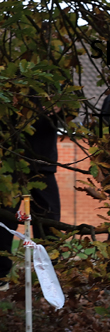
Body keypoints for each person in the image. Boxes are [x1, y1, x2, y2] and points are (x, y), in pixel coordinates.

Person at [0, 105, 64, 291]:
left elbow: (66, 116)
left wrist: (60, 109)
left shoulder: (55, 90)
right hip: (11, 161)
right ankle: (1, 275)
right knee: (4, 220)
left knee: (49, 219)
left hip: (43, 162)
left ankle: (51, 277)